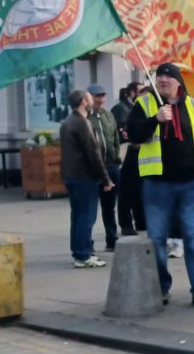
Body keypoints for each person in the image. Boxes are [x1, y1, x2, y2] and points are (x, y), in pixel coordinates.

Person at [126, 63, 194, 308]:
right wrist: (155, 119)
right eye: (160, 76)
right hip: (157, 185)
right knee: (156, 239)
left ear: (179, 82)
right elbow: (133, 135)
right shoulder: (144, 104)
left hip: (190, 184)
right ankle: (161, 288)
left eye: (168, 76)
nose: (163, 79)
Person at [59, 89, 113, 268]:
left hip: (71, 175)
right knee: (86, 216)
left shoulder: (67, 122)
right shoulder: (83, 123)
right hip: (84, 176)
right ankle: (83, 254)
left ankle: (78, 251)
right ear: (83, 101)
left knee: (77, 215)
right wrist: (106, 179)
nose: (92, 100)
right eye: (90, 98)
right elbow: (93, 152)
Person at [86, 84, 122, 252]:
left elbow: (115, 137)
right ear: (89, 98)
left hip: (111, 166)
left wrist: (116, 156)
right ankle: (88, 241)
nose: (100, 99)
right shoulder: (86, 118)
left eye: (102, 96)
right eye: (96, 96)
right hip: (94, 170)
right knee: (91, 208)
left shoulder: (108, 115)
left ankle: (111, 238)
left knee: (109, 207)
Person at [113, 82, 145, 237]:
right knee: (127, 190)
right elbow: (121, 131)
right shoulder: (123, 109)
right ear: (132, 93)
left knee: (139, 189)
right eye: (140, 91)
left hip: (140, 152)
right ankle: (126, 223)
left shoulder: (138, 108)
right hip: (128, 153)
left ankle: (141, 220)